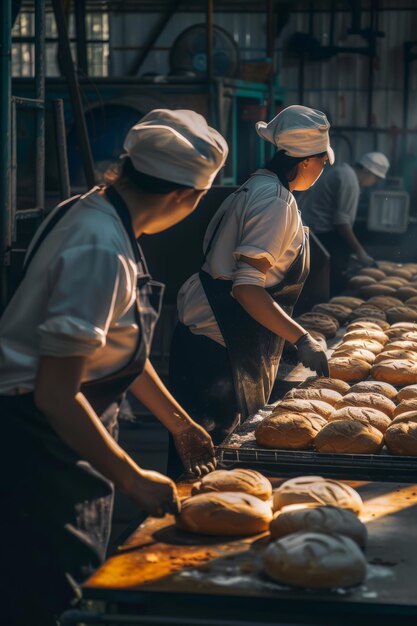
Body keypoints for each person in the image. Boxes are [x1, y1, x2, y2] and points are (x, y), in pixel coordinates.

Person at [0, 109, 228, 625]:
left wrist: (181, 424)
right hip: (40, 447)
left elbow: (116, 348)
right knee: (47, 597)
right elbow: (56, 393)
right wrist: (131, 477)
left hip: (68, 437)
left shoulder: (95, 213)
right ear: (182, 197)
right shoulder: (100, 247)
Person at [167, 105, 333, 477]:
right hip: (220, 342)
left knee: (196, 457)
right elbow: (246, 289)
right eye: (323, 161)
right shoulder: (275, 202)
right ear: (307, 161)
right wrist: (301, 338)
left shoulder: (255, 185)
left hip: (209, 336)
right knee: (207, 466)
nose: (323, 169)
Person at [297, 151, 390, 294]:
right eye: (376, 178)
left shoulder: (341, 171)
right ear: (367, 170)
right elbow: (341, 223)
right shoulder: (349, 180)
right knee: (332, 285)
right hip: (323, 238)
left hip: (316, 234)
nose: (374, 182)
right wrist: (360, 253)